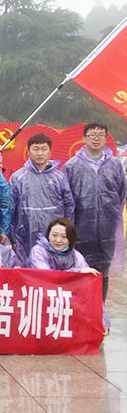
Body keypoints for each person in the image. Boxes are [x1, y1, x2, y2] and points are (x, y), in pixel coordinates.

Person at [61, 123, 126, 308]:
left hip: (107, 229)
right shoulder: (72, 166)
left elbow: (121, 193)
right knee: (79, 269)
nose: (96, 138)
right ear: (84, 138)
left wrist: (112, 215)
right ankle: (78, 310)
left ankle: (99, 311)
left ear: (105, 139)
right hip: (80, 228)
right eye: (92, 135)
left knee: (102, 272)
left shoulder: (114, 164)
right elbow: (65, 197)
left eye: (100, 135)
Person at [29, 217, 107, 332]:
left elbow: (91, 292)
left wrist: (103, 322)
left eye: (64, 236)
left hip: (69, 307)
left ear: (71, 238)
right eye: (54, 235)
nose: (58, 240)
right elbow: (47, 277)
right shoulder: (38, 251)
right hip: (43, 304)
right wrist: (77, 273)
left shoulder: (76, 256)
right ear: (48, 235)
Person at [9, 133, 75, 266]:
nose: (40, 153)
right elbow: (10, 208)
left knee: (52, 268)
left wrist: (67, 232)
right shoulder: (18, 178)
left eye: (44, 149)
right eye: (36, 149)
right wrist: (11, 237)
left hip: (54, 235)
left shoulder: (59, 177)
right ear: (28, 151)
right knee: (26, 269)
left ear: (50, 152)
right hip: (25, 233)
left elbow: (69, 205)